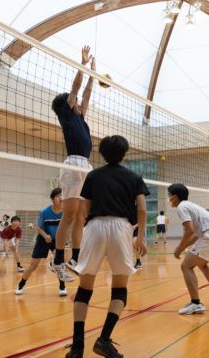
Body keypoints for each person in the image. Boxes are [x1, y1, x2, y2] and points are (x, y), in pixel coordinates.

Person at [64, 135, 147, 358]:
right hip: (121, 228)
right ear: (125, 153)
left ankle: (77, 348)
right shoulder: (134, 177)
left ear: (102, 153)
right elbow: (141, 210)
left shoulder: (93, 176)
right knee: (120, 288)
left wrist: (79, 247)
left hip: (95, 227)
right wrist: (138, 238)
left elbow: (82, 214)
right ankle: (104, 339)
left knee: (85, 289)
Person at [50, 46, 96, 282]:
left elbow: (86, 94)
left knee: (81, 218)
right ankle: (57, 260)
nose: (79, 103)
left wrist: (93, 75)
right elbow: (76, 90)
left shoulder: (81, 116)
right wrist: (83, 64)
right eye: (75, 101)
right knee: (68, 217)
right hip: (73, 165)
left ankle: (75, 258)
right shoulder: (67, 114)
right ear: (67, 105)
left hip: (85, 167)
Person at [168, 183, 209, 315]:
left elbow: (189, 231)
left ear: (174, 197)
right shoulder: (190, 205)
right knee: (202, 264)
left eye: (169, 195)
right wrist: (187, 246)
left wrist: (179, 248)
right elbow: (196, 234)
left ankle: (195, 304)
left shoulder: (181, 207)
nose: (168, 199)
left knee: (186, 266)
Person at [15, 188, 69, 296]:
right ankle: (21, 284)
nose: (61, 197)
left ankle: (62, 287)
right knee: (33, 266)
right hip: (43, 240)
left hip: (57, 240)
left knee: (59, 263)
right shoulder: (45, 212)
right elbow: (39, 227)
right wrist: (45, 236)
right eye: (58, 196)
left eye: (62, 195)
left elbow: (65, 226)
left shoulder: (66, 211)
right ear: (52, 199)